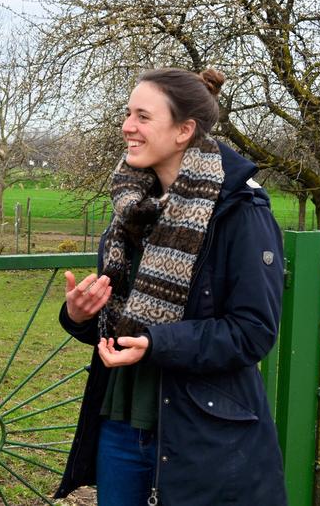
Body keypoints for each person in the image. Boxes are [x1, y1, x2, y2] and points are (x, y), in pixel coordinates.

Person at [54, 68, 287, 505]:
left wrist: (157, 342)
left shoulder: (240, 212)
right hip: (120, 427)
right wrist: (81, 315)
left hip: (202, 435)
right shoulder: (131, 210)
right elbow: (119, 324)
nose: (127, 126)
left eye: (143, 116)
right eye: (128, 113)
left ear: (184, 131)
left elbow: (253, 331)